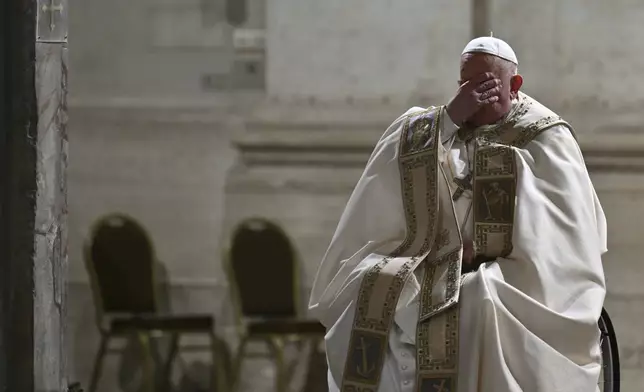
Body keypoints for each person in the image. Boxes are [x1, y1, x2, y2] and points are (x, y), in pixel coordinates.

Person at [308, 36, 607, 392]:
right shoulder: (438, 124)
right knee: (368, 288)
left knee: (482, 301)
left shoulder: (545, 136)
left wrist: (482, 241)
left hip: (509, 269)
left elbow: (560, 228)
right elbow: (391, 177)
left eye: (488, 84)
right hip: (424, 260)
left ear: (515, 85)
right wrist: (449, 119)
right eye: (468, 83)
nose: (476, 94)